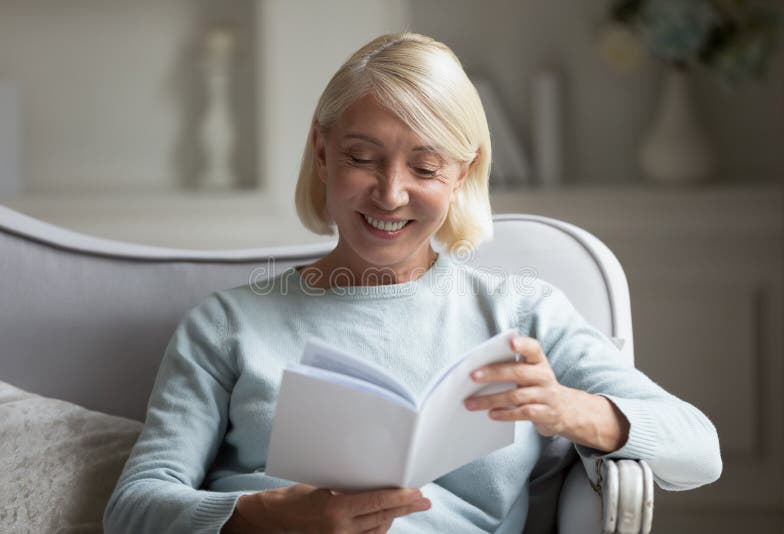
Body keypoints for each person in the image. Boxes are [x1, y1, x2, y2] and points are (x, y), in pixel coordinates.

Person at [104, 32, 722, 534]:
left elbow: (699, 451)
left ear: (462, 173)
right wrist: (262, 516)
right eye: (361, 158)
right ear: (322, 154)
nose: (391, 193)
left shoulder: (522, 314)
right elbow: (133, 507)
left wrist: (570, 409)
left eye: (424, 167)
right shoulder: (226, 325)